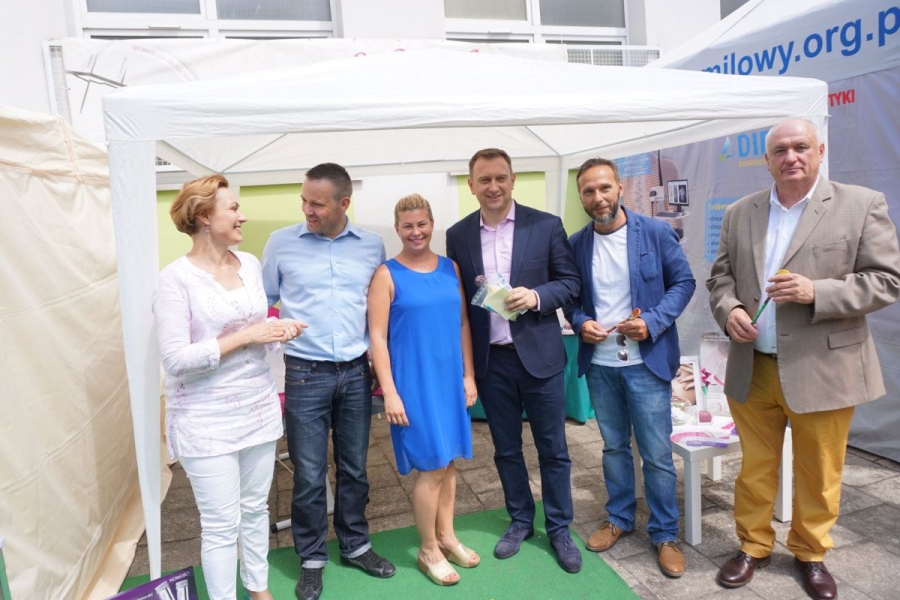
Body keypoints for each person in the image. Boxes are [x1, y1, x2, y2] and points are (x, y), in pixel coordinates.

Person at [707, 118, 900, 600]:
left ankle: (811, 553)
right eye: (780, 150)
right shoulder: (740, 212)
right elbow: (720, 278)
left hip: (823, 366)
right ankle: (753, 545)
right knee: (755, 468)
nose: (790, 157)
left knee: (819, 470)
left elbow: (887, 280)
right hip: (754, 365)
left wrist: (818, 291)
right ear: (767, 159)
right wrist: (730, 310)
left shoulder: (860, 204)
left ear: (820, 151)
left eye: (800, 147)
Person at [153, 175, 306, 600]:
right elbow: (175, 360)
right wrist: (247, 336)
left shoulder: (250, 264)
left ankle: (258, 590)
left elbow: (254, 328)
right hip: (205, 419)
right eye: (234, 208)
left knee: (255, 509)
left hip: (257, 407)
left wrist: (277, 330)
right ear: (204, 216)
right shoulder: (175, 279)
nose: (243, 216)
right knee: (221, 524)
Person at [445, 148, 583, 573]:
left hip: (540, 356)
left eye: (500, 178)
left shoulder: (546, 225)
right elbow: (461, 300)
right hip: (493, 361)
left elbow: (570, 283)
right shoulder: (457, 234)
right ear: (471, 185)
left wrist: (537, 296)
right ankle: (521, 519)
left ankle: (559, 528)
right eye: (484, 179)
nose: (493, 187)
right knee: (506, 450)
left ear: (513, 180)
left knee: (553, 449)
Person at [262, 163, 394, 600]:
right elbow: (261, 302)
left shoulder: (372, 246)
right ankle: (312, 558)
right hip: (305, 374)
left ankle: (356, 545)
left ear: (344, 203)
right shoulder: (280, 243)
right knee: (309, 474)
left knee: (355, 468)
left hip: (356, 373)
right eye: (304, 200)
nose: (307, 210)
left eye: (317, 203)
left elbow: (380, 307)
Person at [563, 158, 695, 578]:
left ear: (620, 188)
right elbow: (572, 299)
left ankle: (665, 533)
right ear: (581, 196)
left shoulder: (654, 232)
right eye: (588, 191)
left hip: (646, 363)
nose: (598, 197)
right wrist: (580, 322)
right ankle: (619, 518)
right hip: (601, 365)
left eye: (604, 187)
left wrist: (653, 321)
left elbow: (684, 283)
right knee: (614, 447)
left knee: (656, 454)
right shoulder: (576, 244)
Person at [368, 194, 479, 586]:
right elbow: (377, 338)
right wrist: (390, 392)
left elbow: (463, 322)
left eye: (422, 224)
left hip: (449, 381)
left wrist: (468, 375)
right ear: (397, 229)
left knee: (449, 462)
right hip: (413, 384)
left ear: (432, 224)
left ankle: (447, 535)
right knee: (432, 466)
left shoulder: (451, 268)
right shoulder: (386, 275)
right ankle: (428, 548)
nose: (416, 232)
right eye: (407, 226)